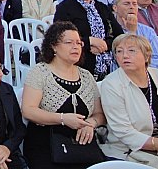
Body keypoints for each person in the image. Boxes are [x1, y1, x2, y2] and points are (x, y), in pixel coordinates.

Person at [21, 21, 107, 169]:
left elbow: (99, 114)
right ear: (53, 46)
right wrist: (62, 119)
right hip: (46, 143)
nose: (76, 47)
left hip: (82, 144)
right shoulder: (40, 72)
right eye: (69, 42)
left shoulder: (86, 76)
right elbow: (28, 110)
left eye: (79, 43)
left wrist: (91, 124)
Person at [100, 34, 158, 167]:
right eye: (119, 51)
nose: (124, 56)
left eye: (131, 50)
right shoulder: (111, 84)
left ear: (146, 56)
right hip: (132, 151)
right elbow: (124, 133)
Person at [54, 0, 123, 80]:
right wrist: (89, 41)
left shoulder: (102, 7)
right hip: (77, 64)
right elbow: (59, 38)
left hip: (106, 64)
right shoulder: (65, 8)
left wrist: (104, 44)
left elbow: (119, 35)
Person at [112, 0, 158, 71]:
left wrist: (139, 67)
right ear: (115, 8)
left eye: (134, 4)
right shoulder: (109, 29)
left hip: (147, 74)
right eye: (126, 4)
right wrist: (131, 32)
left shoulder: (148, 31)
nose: (131, 7)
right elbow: (116, 63)